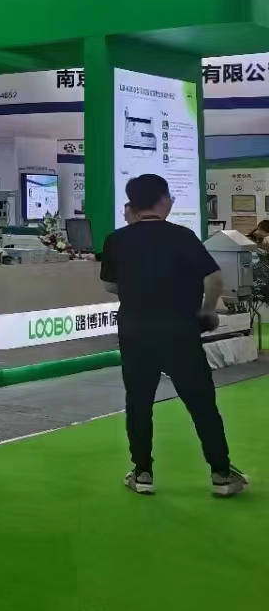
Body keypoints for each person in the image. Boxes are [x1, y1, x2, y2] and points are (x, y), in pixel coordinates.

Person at [101, 173, 247, 497]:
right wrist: (207, 310)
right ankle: (222, 474)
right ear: (163, 201)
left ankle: (142, 473)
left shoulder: (116, 240)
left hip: (135, 333)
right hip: (180, 331)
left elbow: (110, 285)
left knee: (139, 404)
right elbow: (213, 278)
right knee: (202, 403)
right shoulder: (183, 236)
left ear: (133, 203)